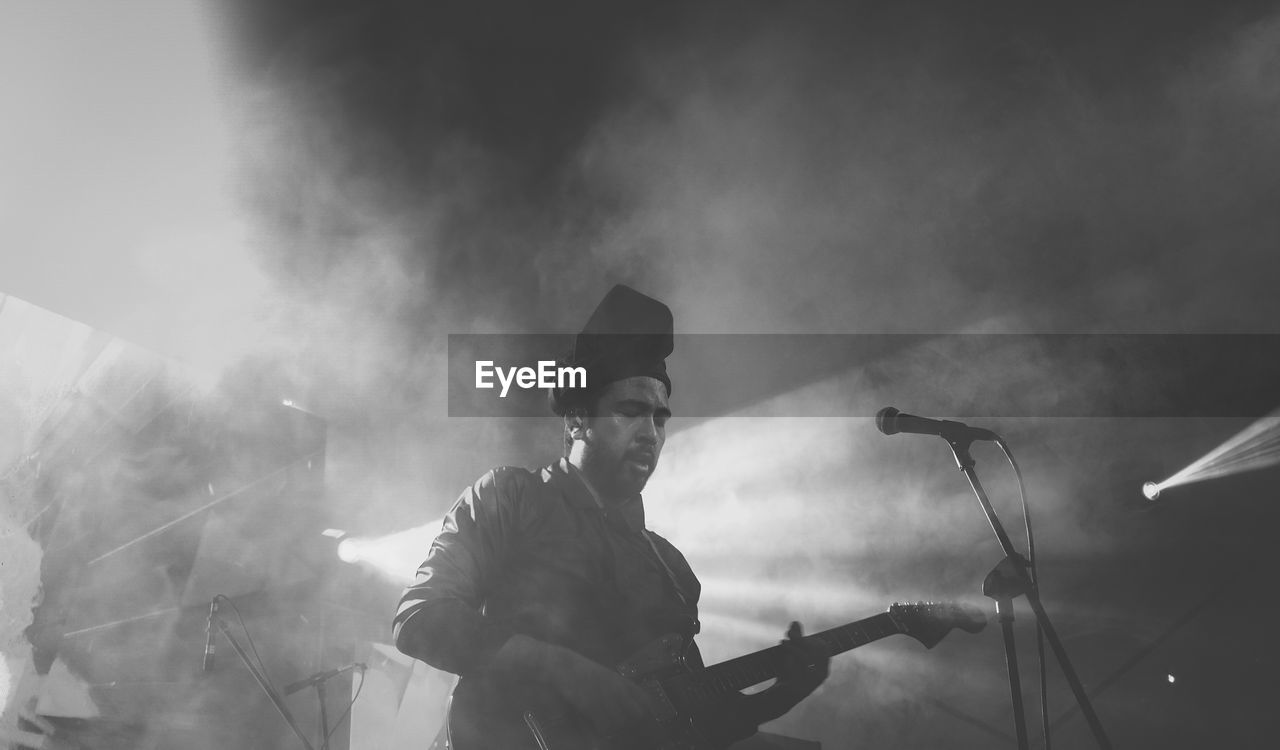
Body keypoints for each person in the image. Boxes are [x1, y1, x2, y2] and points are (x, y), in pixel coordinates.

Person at [394, 285, 829, 748]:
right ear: (577, 421)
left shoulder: (672, 568)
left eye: (660, 419)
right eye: (631, 411)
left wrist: (780, 697)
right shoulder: (510, 496)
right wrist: (564, 669)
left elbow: (692, 722)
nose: (651, 433)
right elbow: (420, 618)